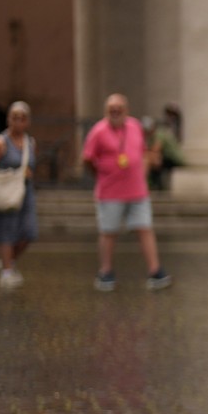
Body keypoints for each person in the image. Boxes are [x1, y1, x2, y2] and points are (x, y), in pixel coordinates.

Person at [81, 93, 168, 291]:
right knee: (109, 231)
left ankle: (155, 270)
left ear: (126, 110)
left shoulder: (134, 126)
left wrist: (143, 174)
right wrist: (101, 173)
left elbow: (142, 153)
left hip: (137, 191)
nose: (115, 111)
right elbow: (87, 158)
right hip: (110, 191)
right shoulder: (98, 131)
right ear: (106, 111)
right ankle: (106, 272)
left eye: (119, 108)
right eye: (111, 108)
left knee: (145, 228)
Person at [0, 101, 39, 289]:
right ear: (8, 120)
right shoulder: (0, 143)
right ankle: (7, 271)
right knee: (7, 230)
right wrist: (5, 177)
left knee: (29, 231)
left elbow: (31, 165)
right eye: (15, 117)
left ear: (28, 121)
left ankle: (8, 261)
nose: (18, 122)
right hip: (5, 191)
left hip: (25, 192)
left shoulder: (30, 143)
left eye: (23, 118)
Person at [147, 105, 185, 192]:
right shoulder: (158, 133)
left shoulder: (160, 133)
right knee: (155, 160)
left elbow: (156, 149)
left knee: (156, 161)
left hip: (175, 158)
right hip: (169, 157)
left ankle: (157, 185)